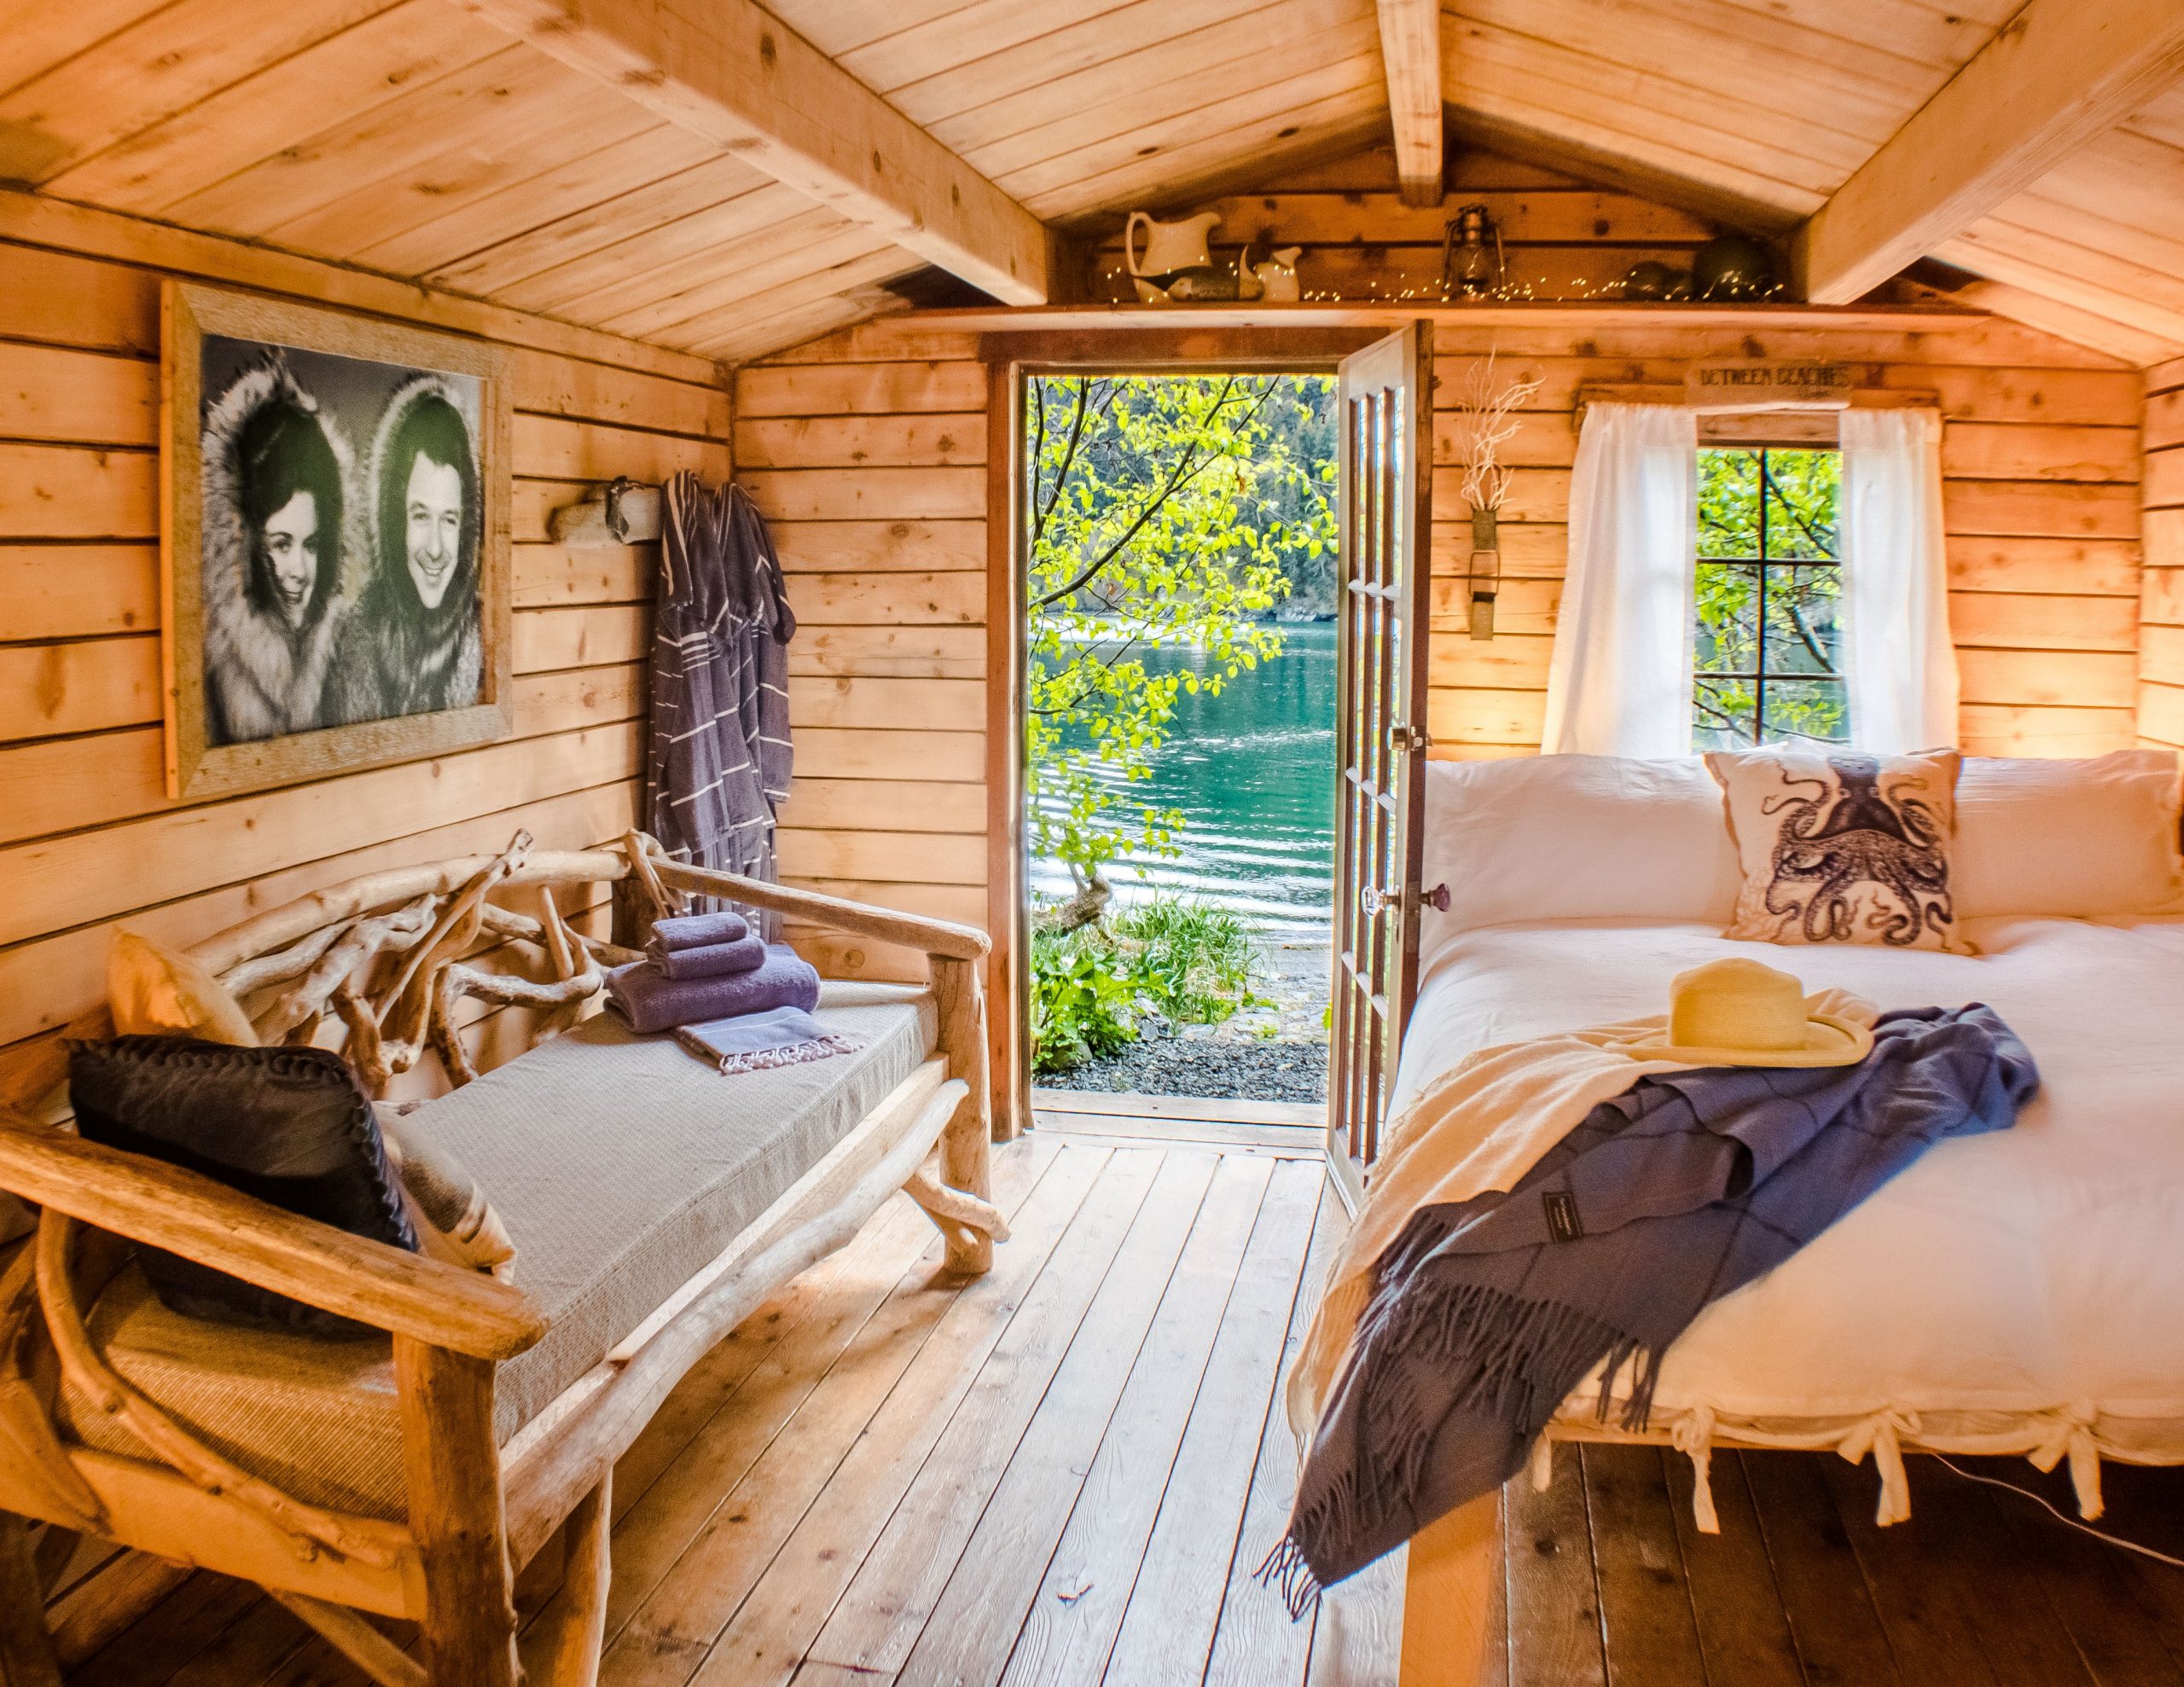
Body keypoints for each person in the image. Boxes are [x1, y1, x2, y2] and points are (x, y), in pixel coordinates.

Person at [200, 360, 353, 745]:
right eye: (282, 544)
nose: (299, 570)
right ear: (244, 542)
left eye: (313, 545)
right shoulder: (209, 663)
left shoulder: (344, 651)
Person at [326, 374, 483, 724]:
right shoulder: (349, 647)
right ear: (393, 524)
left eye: (450, 520)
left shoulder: (483, 639)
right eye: (420, 516)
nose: (436, 548)